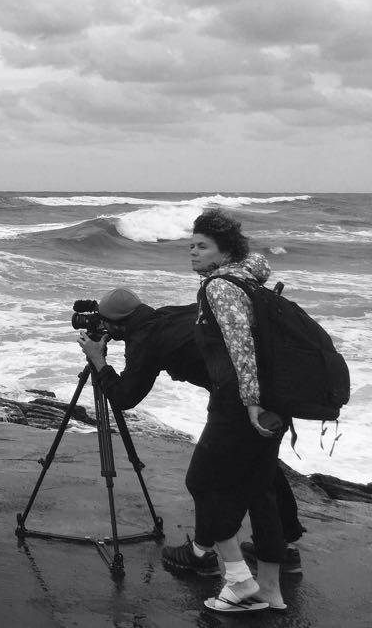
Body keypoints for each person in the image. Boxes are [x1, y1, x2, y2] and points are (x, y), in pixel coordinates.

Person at [77, 287, 304, 583]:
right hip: (269, 387)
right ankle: (283, 550)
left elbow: (123, 398)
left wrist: (99, 361)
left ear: (118, 324)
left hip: (238, 402)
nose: (103, 328)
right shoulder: (168, 315)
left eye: (106, 323)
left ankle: (202, 555)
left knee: (205, 480)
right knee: (264, 471)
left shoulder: (145, 340)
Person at [171, 208, 292, 613]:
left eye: (202, 246)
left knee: (203, 483)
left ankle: (238, 579)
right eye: (191, 244)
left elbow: (242, 346)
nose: (193, 252)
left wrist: (251, 403)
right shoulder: (247, 276)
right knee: (260, 493)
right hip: (276, 400)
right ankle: (271, 591)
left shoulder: (219, 287)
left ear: (223, 252)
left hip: (241, 404)